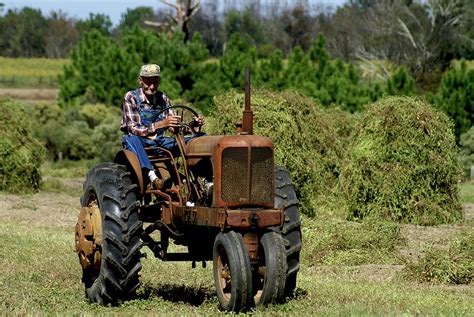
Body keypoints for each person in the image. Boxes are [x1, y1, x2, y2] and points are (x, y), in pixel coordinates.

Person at [120, 64, 205, 188]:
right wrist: (161, 124)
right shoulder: (131, 97)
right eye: (148, 82)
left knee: (200, 138)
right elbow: (133, 128)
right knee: (130, 138)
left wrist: (193, 125)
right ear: (140, 80)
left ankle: (204, 178)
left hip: (160, 142)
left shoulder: (162, 98)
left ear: (159, 81)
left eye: (155, 82)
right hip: (141, 143)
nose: (152, 86)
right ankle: (152, 176)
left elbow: (174, 125)